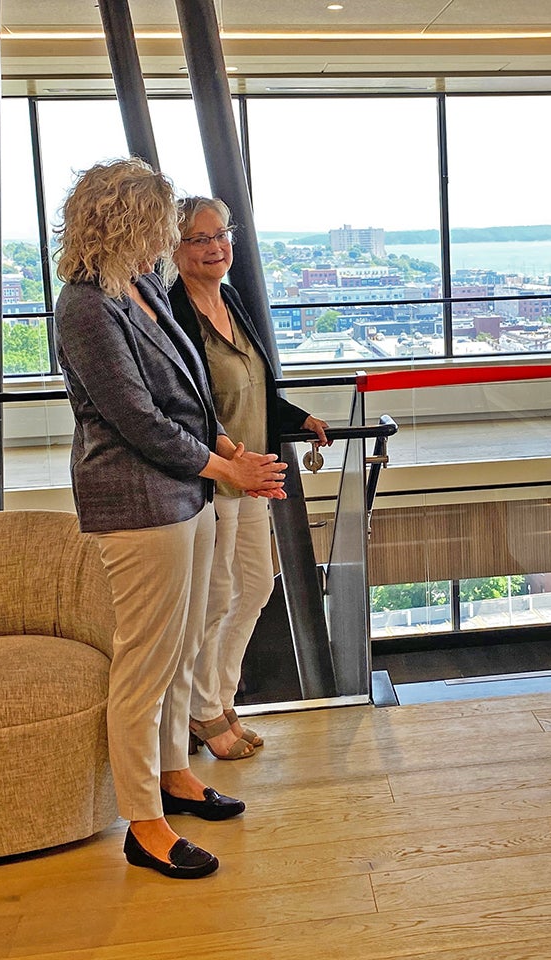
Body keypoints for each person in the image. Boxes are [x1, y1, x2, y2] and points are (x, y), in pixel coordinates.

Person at [54, 158, 287, 879]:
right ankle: (143, 823)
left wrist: (220, 446)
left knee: (183, 645)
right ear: (128, 220)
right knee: (145, 662)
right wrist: (228, 469)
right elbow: (137, 420)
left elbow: (186, 398)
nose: (173, 232)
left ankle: (174, 777)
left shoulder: (141, 288)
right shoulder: (85, 305)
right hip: (137, 502)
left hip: (183, 495)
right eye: (163, 220)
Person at [168, 196, 329, 761]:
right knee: (216, 598)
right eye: (200, 239)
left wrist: (302, 419)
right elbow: (186, 405)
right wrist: (232, 456)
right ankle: (204, 712)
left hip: (254, 473)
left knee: (256, 585)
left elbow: (254, 388)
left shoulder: (230, 298)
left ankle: (217, 697)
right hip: (213, 477)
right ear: (175, 247)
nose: (216, 248)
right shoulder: (173, 309)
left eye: (221, 235)